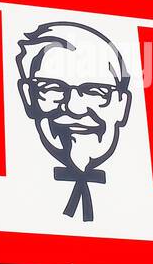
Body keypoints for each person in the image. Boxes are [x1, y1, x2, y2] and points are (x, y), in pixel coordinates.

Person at [16, 21, 132, 221]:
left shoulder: (134, 202)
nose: (74, 108)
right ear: (28, 97)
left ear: (122, 104)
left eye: (95, 91)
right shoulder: (16, 190)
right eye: (52, 88)